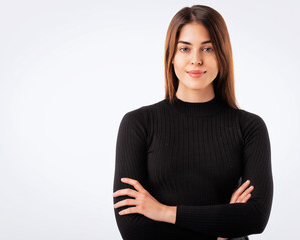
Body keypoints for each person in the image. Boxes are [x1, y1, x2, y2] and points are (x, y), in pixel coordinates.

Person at [112, 4, 273, 240]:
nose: (196, 60)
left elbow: (255, 218)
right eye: (185, 48)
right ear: (171, 56)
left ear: (222, 55)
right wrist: (222, 229)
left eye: (207, 48)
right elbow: (132, 229)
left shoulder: (249, 127)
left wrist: (163, 212)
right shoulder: (138, 123)